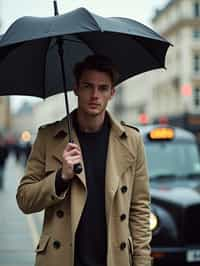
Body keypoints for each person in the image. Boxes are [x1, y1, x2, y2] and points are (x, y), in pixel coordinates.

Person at [16, 55, 152, 266]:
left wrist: (142, 262)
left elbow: (140, 209)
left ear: (112, 93)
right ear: (76, 89)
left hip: (114, 259)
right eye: (88, 86)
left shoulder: (131, 141)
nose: (95, 95)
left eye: (103, 88)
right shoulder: (48, 137)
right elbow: (24, 199)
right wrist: (60, 178)